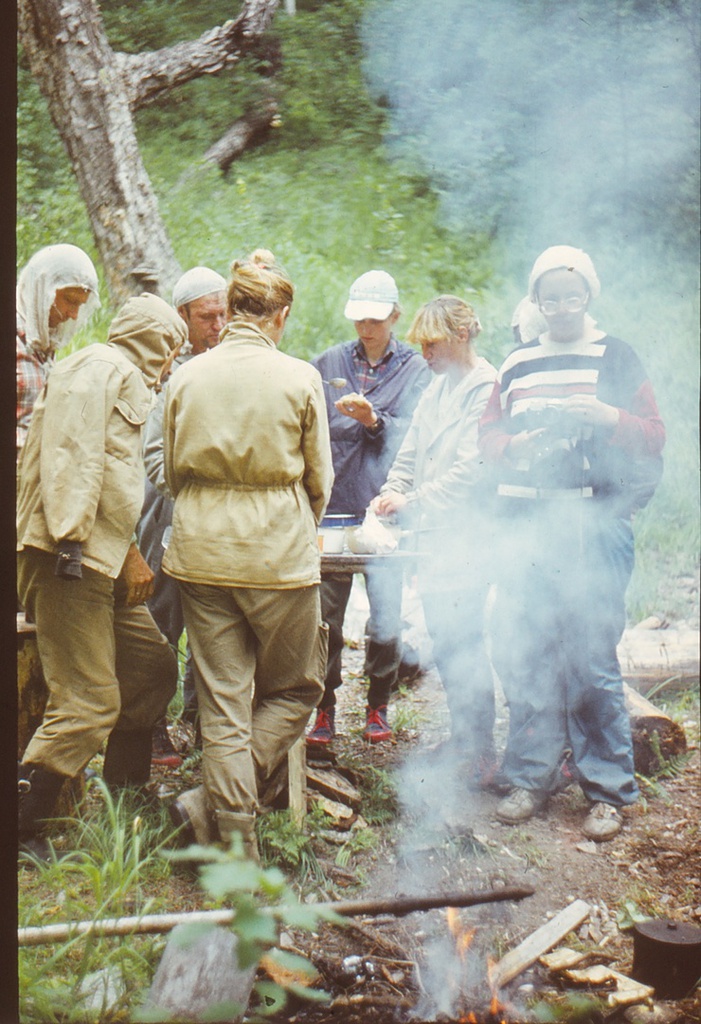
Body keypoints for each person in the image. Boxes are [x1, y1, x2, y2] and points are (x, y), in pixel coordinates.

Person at [479, 245, 665, 841]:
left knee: (590, 659)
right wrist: (521, 447)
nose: (561, 305)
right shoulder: (517, 363)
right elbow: (489, 437)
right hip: (530, 529)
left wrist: (606, 417)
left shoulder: (617, 355)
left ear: (588, 293)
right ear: (535, 300)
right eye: (549, 296)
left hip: (593, 526)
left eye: (571, 294)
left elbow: (654, 436)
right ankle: (531, 778)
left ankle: (608, 790)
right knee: (529, 652)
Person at [163, 249, 333, 859]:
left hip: (201, 554)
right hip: (278, 558)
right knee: (295, 689)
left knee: (223, 701)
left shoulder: (186, 375)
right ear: (280, 315)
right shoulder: (299, 377)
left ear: (231, 308)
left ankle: (232, 834)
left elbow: (171, 471)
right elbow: (320, 480)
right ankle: (213, 806)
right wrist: (294, 525)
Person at [17, 293, 188, 861]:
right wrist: (72, 541)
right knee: (87, 700)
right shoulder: (98, 366)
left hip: (101, 558)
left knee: (152, 668)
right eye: (171, 348)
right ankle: (23, 829)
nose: (171, 364)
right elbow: (72, 455)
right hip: (72, 558)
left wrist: (119, 554)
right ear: (153, 339)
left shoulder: (126, 378)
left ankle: (126, 799)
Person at [372, 295, 498, 783]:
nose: (424, 353)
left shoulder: (483, 386)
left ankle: (480, 751)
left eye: (433, 343)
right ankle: (465, 739)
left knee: (463, 641)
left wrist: (415, 500)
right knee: (447, 641)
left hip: (467, 534)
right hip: (436, 537)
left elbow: (471, 467)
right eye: (420, 345)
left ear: (462, 335)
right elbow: (410, 450)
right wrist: (391, 492)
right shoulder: (438, 387)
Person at [307, 270, 430, 746]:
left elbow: (417, 437)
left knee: (385, 614)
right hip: (334, 507)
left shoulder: (416, 369)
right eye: (359, 318)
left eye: (376, 319)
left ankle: (379, 703)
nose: (366, 327)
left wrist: (375, 420)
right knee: (325, 617)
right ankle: (324, 708)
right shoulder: (328, 363)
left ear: (396, 316)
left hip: (384, 508)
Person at [138, 267, 228, 767]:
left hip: (216, 522)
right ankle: (150, 726)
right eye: (206, 316)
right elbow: (153, 458)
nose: (216, 325)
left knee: (213, 620)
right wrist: (196, 490)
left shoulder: (233, 364)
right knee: (159, 620)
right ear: (182, 317)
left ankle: (198, 721)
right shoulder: (166, 370)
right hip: (167, 513)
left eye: (223, 314)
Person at [16, 243, 100, 458]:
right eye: (70, 301)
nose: (73, 314)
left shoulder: (42, 342)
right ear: (42, 288)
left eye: (79, 305)